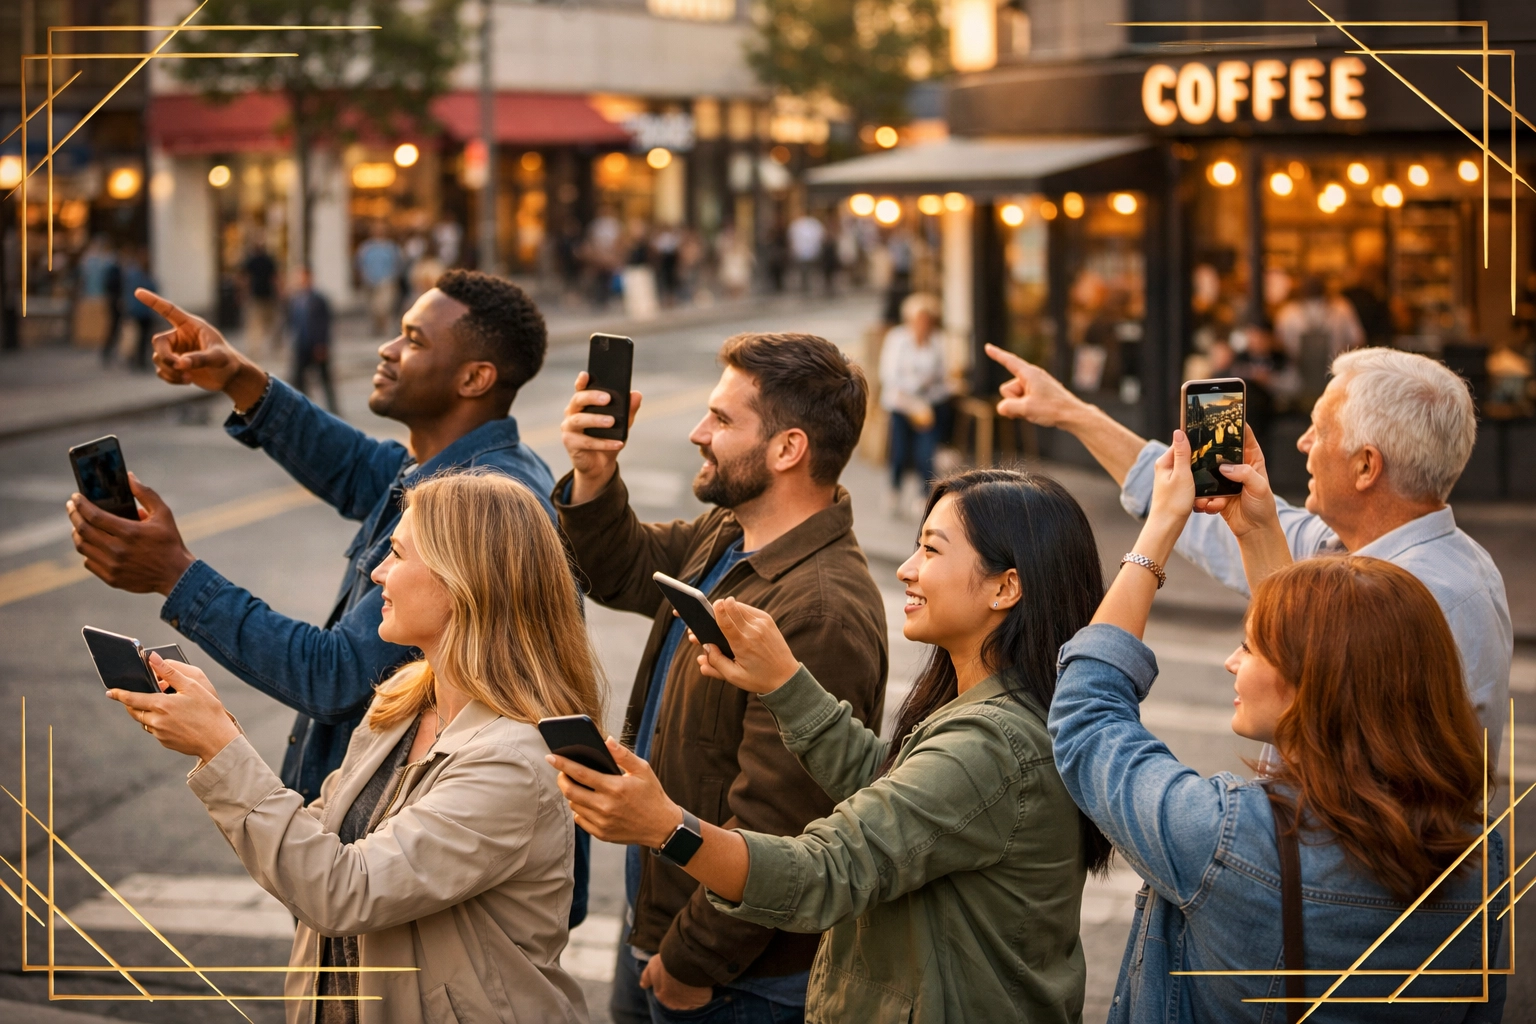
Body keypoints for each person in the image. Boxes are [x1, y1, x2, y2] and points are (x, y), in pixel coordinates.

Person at [553, 468, 1115, 1024]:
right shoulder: (995, 713)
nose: (906, 569)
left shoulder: (993, 746)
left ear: (1005, 587)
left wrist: (666, 827)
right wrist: (782, 682)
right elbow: (892, 786)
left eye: (931, 550)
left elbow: (824, 870)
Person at [1049, 429, 1506, 1022]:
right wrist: (1258, 531)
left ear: (1307, 686)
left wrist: (1159, 530)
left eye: (1250, 644)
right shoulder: (1481, 856)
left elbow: (1086, 716)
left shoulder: (1226, 839)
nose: (1232, 660)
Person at [108, 472, 598, 1024]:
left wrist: (221, 748)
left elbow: (344, 890)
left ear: (463, 581)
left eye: (396, 553)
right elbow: (313, 843)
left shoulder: (512, 760)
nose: (378, 572)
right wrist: (219, 732)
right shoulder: (405, 700)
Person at [557, 332, 887, 1023]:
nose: (697, 432)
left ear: (788, 449)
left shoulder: (822, 611)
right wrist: (593, 473)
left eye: (723, 420)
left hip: (733, 978)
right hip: (659, 927)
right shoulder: (731, 533)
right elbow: (621, 568)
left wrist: (690, 963)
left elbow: (784, 829)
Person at [984, 343, 1511, 756]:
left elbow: (1328, 734)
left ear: (1366, 466)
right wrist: (1073, 413)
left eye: (1320, 430)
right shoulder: (1347, 546)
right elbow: (1208, 519)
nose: (1303, 442)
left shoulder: (1432, 601)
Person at [880, 292, 951, 512]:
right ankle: (894, 489)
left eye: (927, 320)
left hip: (927, 407)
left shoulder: (937, 342)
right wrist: (918, 385)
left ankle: (924, 496)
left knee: (926, 453)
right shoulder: (897, 339)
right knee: (899, 452)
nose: (923, 324)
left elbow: (943, 376)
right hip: (902, 405)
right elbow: (889, 375)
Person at [1273, 275, 1364, 405]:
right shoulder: (1342, 308)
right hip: (1333, 382)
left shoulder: (1287, 312)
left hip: (1295, 386)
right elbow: (1358, 341)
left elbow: (1279, 347)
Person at [284, 265, 338, 414]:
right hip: (301, 344)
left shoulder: (319, 299)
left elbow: (325, 323)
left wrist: (323, 344)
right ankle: (305, 409)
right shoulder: (295, 299)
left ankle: (333, 409)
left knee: (324, 379)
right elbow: (291, 322)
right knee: (298, 380)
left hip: (316, 344)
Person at [357, 225, 403, 334]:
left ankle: (384, 327)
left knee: (383, 306)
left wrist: (394, 278)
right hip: (370, 281)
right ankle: (377, 327)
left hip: (386, 281)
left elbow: (397, 263)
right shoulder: (366, 247)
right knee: (373, 307)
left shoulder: (391, 247)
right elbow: (359, 263)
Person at [120, 249, 159, 372]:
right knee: (140, 338)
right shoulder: (141, 274)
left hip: (137, 310)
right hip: (142, 310)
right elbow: (151, 289)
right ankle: (139, 361)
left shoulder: (133, 274)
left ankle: (136, 360)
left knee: (139, 337)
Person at [241, 239, 280, 361]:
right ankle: (256, 350)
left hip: (265, 296)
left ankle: (260, 349)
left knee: (264, 324)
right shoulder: (255, 260)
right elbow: (245, 278)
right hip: (260, 296)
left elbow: (274, 278)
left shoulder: (263, 260)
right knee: (258, 324)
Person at [787, 211, 825, 295]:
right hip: (806, 251)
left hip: (807, 251)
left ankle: (807, 286)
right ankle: (806, 286)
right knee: (806, 270)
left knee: (808, 270)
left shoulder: (798, 224)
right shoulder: (798, 224)